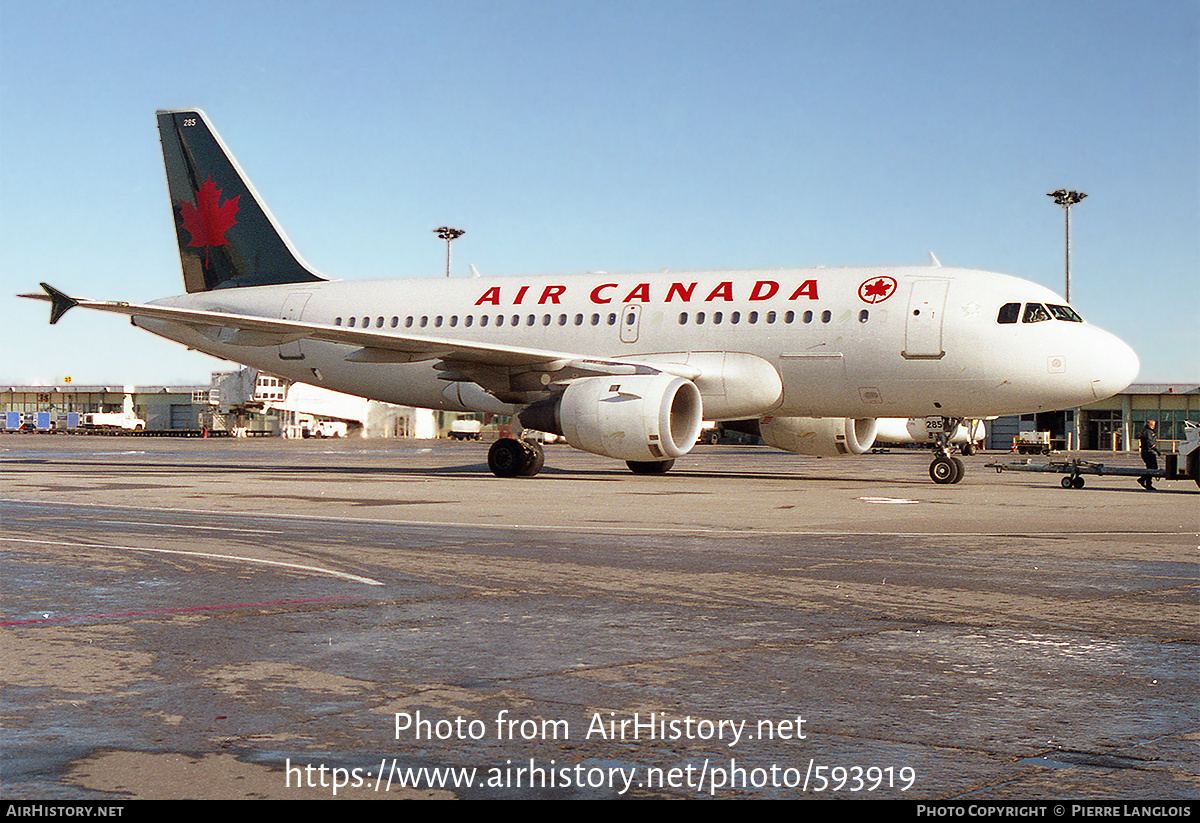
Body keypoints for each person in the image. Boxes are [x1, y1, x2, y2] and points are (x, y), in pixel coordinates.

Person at [1138, 419, 1160, 490]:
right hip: (1147, 452)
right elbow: (1149, 442)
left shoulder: (1148, 431)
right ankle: (1146, 482)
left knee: (1152, 468)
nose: (1154, 426)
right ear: (1149, 425)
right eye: (1153, 425)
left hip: (1149, 452)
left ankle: (1145, 481)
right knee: (1151, 468)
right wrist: (1156, 450)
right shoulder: (1147, 432)